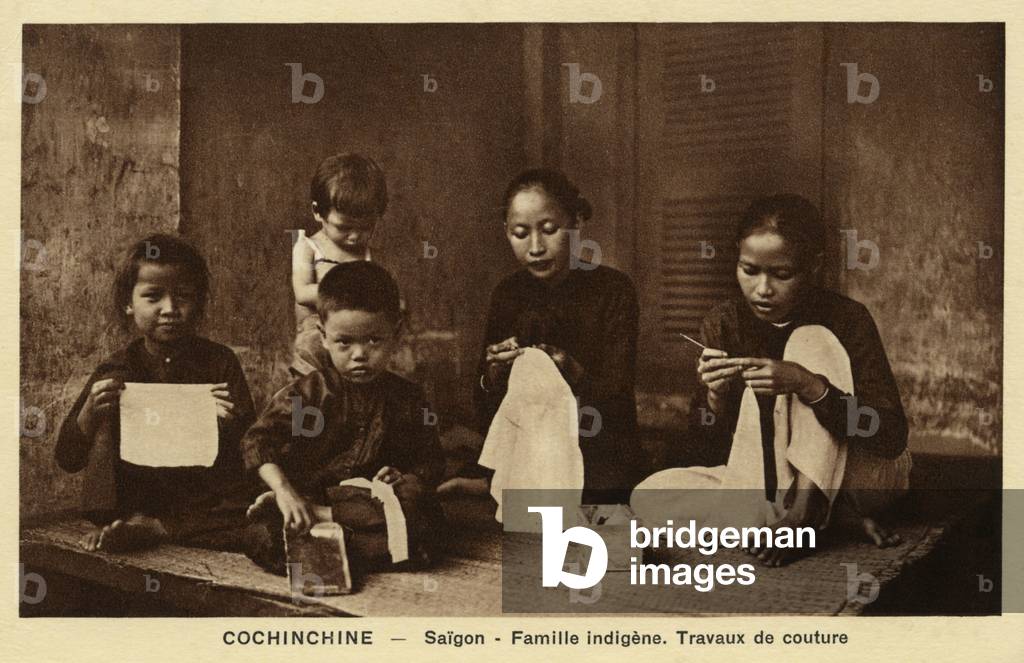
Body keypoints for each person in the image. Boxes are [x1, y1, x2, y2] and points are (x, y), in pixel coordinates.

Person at [631, 194, 913, 566]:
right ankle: (833, 519)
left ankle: (804, 513)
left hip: (861, 476)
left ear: (813, 266)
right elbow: (716, 449)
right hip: (775, 477)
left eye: (781, 275)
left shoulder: (847, 319)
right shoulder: (725, 322)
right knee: (648, 496)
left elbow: (890, 436)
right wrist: (716, 396)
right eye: (749, 270)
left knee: (809, 341)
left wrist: (810, 386)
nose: (762, 289)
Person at [440, 168, 645, 504]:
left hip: (597, 447)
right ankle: (491, 483)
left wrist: (570, 370)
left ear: (577, 222)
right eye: (520, 234)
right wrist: (494, 372)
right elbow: (485, 401)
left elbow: (617, 399)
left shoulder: (613, 290)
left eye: (549, 230)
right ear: (506, 231)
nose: (535, 247)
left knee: (600, 507)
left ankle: (493, 486)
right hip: (529, 448)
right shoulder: (508, 293)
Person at [55, 234, 256, 552]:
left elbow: (252, 448)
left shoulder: (219, 362)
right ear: (129, 303)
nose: (170, 309)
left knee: (254, 505)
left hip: (200, 498)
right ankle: (118, 523)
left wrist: (227, 423)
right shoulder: (118, 367)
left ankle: (156, 528)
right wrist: (89, 412)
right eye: (153, 296)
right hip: (137, 498)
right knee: (105, 410)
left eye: (184, 296)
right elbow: (68, 458)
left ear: (199, 302)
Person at [242, 261, 445, 574]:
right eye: (344, 342)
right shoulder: (308, 394)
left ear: (396, 334)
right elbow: (256, 442)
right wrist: (284, 492)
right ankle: (359, 546)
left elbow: (430, 462)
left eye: (374, 340)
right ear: (324, 336)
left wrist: (402, 476)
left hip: (372, 502)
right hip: (310, 495)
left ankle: (328, 535)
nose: (359, 354)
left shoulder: (408, 398)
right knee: (261, 534)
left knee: (426, 519)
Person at [290, 153, 387, 375]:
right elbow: (302, 293)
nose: (355, 237)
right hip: (317, 337)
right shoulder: (308, 247)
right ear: (317, 212)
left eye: (366, 228)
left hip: (358, 338)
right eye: (344, 227)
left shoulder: (367, 253)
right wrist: (350, 291)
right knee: (312, 385)